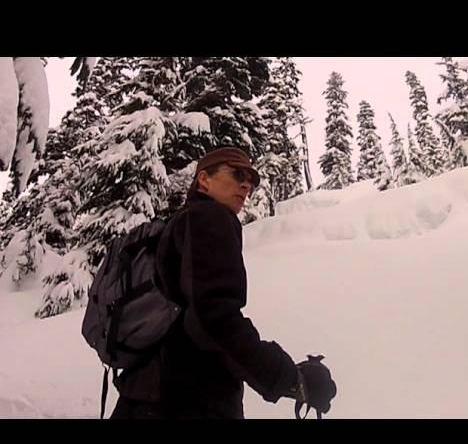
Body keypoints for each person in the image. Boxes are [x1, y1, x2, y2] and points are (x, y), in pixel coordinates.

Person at [110, 147, 337, 419]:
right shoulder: (210, 218)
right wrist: (289, 378)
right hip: (187, 400)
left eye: (251, 181)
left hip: (147, 393)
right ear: (204, 180)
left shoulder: (183, 222)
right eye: (237, 174)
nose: (246, 185)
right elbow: (214, 320)